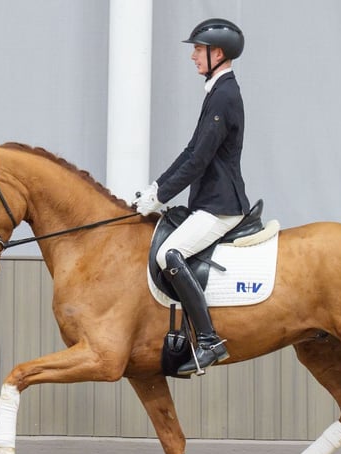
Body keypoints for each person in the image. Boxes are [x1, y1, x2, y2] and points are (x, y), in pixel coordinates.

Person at [134, 18, 250, 376]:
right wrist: (157, 188)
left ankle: (209, 340)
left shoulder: (225, 95)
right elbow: (191, 151)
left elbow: (199, 161)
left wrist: (163, 194)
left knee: (172, 253)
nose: (193, 57)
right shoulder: (217, 91)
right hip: (208, 200)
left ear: (218, 53)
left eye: (198, 50)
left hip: (221, 204)